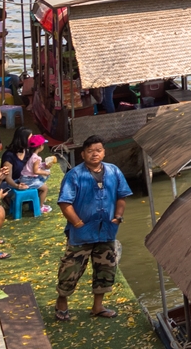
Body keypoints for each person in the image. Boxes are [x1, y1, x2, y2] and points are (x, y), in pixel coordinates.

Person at [55, 135, 133, 323]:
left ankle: (98, 306)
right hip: (81, 234)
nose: (94, 154)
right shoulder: (74, 175)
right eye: (90, 151)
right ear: (83, 154)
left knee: (105, 269)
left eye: (98, 150)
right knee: (71, 269)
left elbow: (121, 196)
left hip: (106, 230)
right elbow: (65, 202)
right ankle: (62, 302)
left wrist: (118, 216)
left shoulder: (114, 171)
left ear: (104, 152)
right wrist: (76, 222)